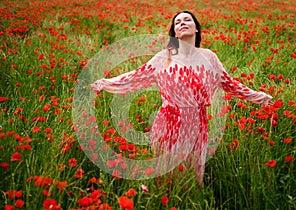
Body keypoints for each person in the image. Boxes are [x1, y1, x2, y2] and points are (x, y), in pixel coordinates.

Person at [90, 11, 273, 187]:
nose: (182, 23)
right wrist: (105, 83)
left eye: (187, 20)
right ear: (175, 33)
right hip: (168, 121)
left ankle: (191, 201)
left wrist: (259, 96)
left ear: (196, 29)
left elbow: (229, 83)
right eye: (177, 22)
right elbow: (136, 76)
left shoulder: (209, 57)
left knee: (193, 173)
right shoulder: (164, 57)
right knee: (166, 172)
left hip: (197, 122)